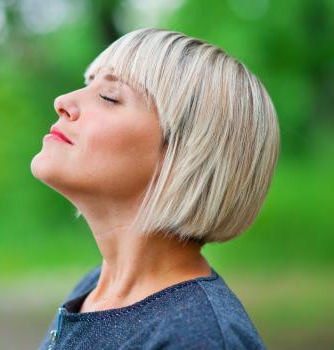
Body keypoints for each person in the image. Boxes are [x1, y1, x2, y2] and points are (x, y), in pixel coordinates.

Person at [30, 27, 279, 350]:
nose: (63, 101)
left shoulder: (197, 338)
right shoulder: (94, 291)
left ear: (186, 155)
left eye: (109, 97)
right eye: (89, 85)